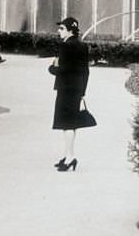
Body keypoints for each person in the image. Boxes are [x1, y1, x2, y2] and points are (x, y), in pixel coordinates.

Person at [48, 16, 90, 172]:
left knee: (66, 124)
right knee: (70, 125)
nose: (59, 31)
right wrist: (82, 92)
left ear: (70, 30)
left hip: (65, 89)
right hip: (76, 90)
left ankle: (70, 157)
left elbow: (63, 69)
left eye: (61, 29)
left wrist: (51, 69)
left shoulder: (65, 46)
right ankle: (67, 155)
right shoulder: (82, 45)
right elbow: (85, 71)